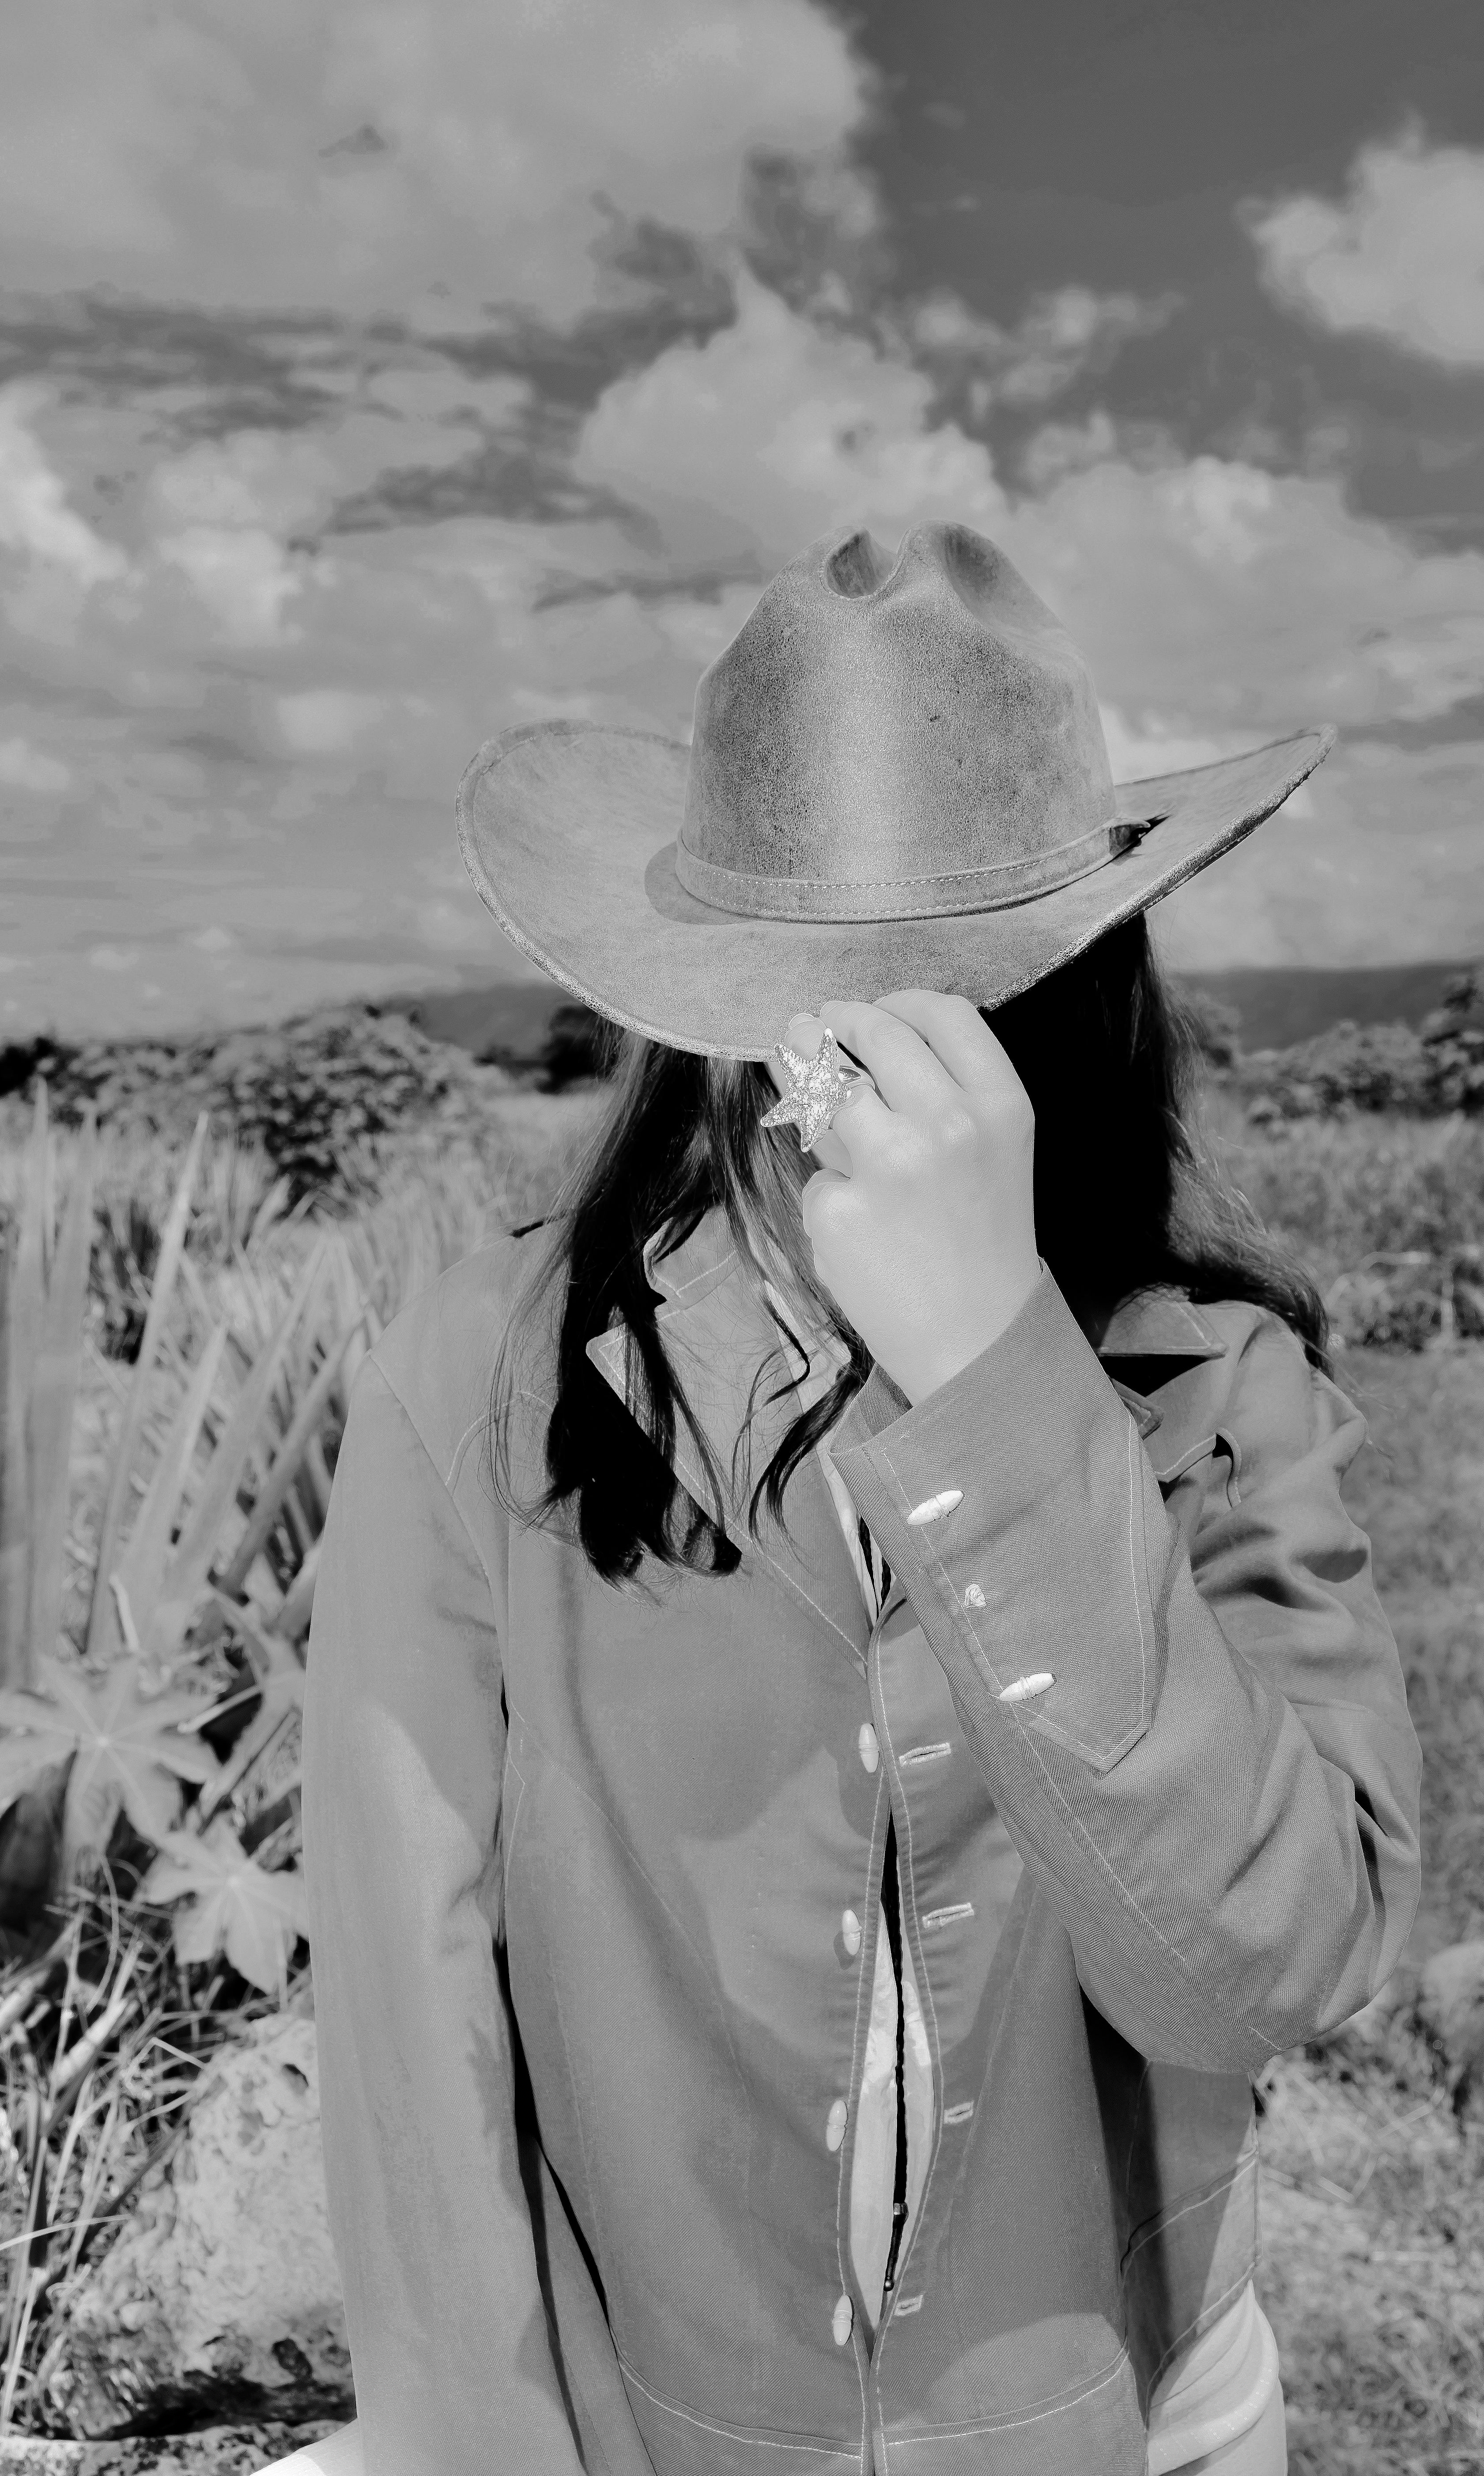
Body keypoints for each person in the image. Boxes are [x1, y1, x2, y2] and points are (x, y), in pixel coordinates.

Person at [294, 521, 1422, 2476]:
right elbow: (412, 1996)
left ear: (1072, 999)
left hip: (1136, 2410)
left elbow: (1273, 1969)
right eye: (797, 1006)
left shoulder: (1212, 1383)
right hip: (657, 2419)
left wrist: (1001, 1374)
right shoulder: (486, 1376)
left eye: (953, 998)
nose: (837, 1077)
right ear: (699, 1013)